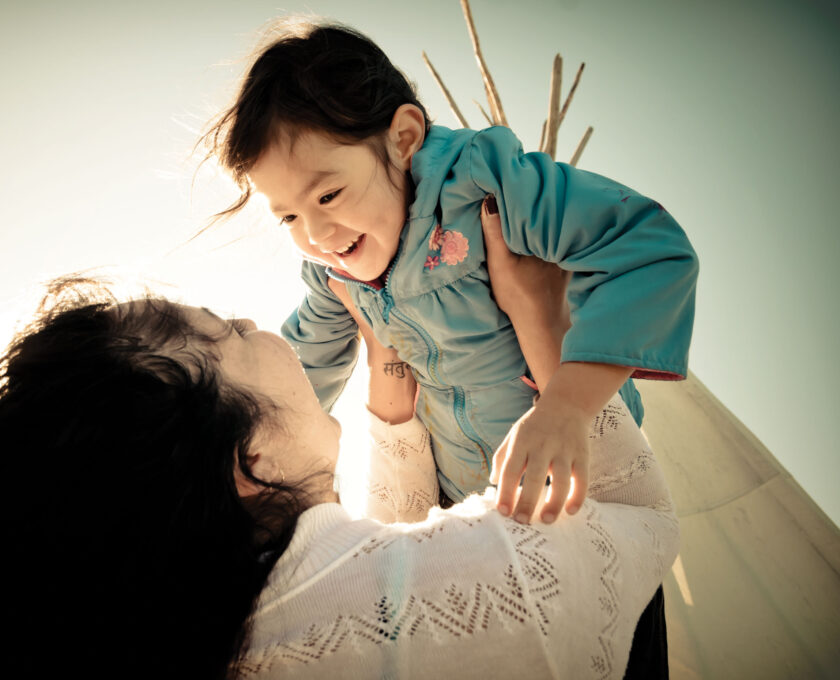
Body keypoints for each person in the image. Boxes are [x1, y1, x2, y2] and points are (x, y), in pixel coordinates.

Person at [0, 206, 679, 678]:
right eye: (229, 329)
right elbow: (628, 523)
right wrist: (539, 317)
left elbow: (373, 571)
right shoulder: (463, 616)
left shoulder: (206, 632)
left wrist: (393, 420)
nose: (262, 323)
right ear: (249, 458)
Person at [203, 21, 698, 528]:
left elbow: (646, 247)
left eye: (328, 196)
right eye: (288, 217)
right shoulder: (334, 276)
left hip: (570, 482)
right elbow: (297, 380)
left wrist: (566, 407)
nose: (316, 234)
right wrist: (227, 457)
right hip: (462, 507)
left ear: (403, 139)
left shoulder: (486, 187)